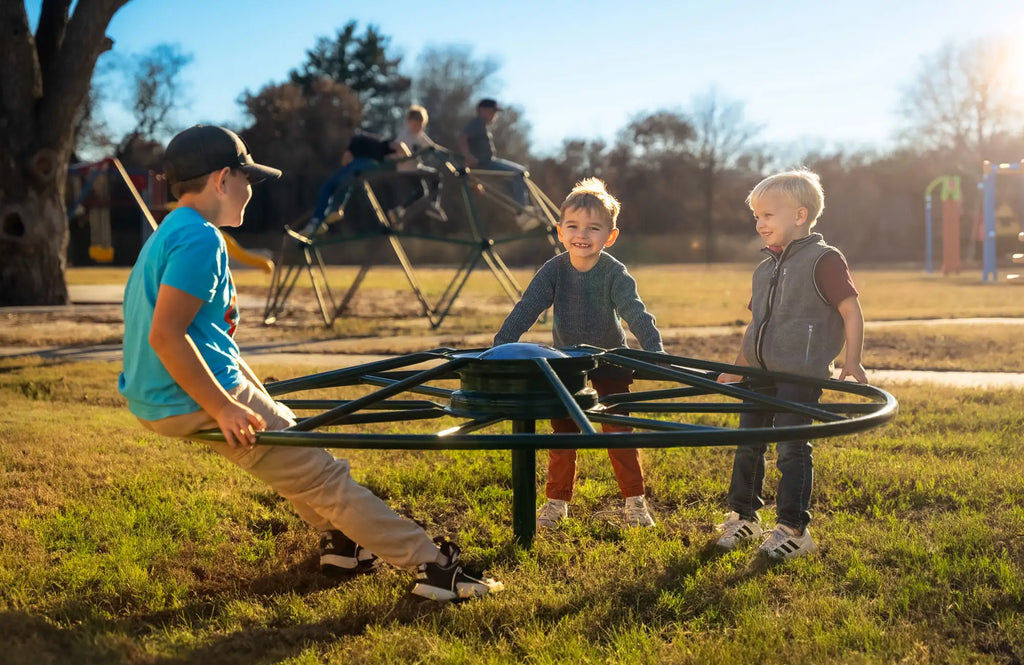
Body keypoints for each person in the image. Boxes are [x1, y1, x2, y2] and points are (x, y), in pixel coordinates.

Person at [118, 124, 503, 602]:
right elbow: (165, 334)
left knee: (294, 454)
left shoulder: (168, 234)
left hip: (159, 397)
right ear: (221, 180)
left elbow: (199, 336)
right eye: (247, 179)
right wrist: (224, 406)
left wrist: (250, 393)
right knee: (324, 477)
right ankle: (434, 566)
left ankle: (345, 545)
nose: (250, 190)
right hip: (194, 393)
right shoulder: (201, 240)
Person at [714, 168, 867, 562]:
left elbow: (851, 310)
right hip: (760, 374)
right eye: (757, 216)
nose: (759, 223)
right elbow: (756, 326)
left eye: (768, 215)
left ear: (799, 216)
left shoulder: (824, 260)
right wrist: (737, 367)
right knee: (748, 443)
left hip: (799, 375)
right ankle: (744, 516)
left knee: (791, 450)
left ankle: (793, 529)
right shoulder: (765, 268)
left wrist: (852, 359)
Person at [493, 178, 663, 529]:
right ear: (560, 231)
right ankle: (556, 501)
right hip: (567, 367)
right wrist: (501, 346)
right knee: (563, 433)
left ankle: (635, 502)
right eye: (572, 226)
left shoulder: (614, 273)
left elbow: (636, 313)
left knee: (619, 432)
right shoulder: (554, 271)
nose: (581, 234)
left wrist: (655, 353)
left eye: (593, 228)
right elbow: (527, 308)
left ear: (609, 236)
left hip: (612, 363)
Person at [457, 98, 541, 230]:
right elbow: (462, 138)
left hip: (488, 162)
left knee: (511, 182)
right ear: (481, 110)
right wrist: (468, 156)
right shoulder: (476, 123)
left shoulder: (481, 125)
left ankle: (520, 206)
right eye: (491, 112)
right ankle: (521, 212)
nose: (494, 115)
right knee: (520, 173)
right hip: (486, 163)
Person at [300, 132, 397, 237]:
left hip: (363, 164)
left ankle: (319, 219)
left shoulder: (356, 140)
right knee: (347, 182)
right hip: (373, 167)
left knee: (330, 184)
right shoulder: (378, 141)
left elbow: (345, 159)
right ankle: (336, 209)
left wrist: (344, 168)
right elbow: (399, 147)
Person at [389, 105, 447, 223]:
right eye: (415, 125)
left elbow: (432, 147)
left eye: (421, 125)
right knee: (435, 176)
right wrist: (398, 155)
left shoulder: (420, 135)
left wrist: (445, 152)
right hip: (406, 170)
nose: (418, 128)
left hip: (415, 168)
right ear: (409, 123)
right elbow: (394, 147)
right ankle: (433, 204)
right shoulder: (404, 135)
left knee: (421, 193)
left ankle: (399, 210)